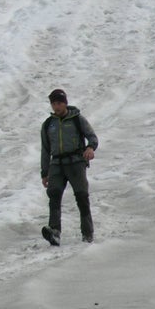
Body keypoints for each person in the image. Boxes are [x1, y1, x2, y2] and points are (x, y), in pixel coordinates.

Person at [40, 88, 99, 246]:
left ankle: (87, 233)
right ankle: (55, 232)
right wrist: (44, 173)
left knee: (81, 197)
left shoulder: (77, 119)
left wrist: (90, 148)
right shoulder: (48, 125)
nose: (56, 107)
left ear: (65, 103)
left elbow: (92, 137)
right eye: (53, 103)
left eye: (59, 103)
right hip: (56, 165)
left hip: (76, 163)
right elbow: (45, 150)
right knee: (54, 196)